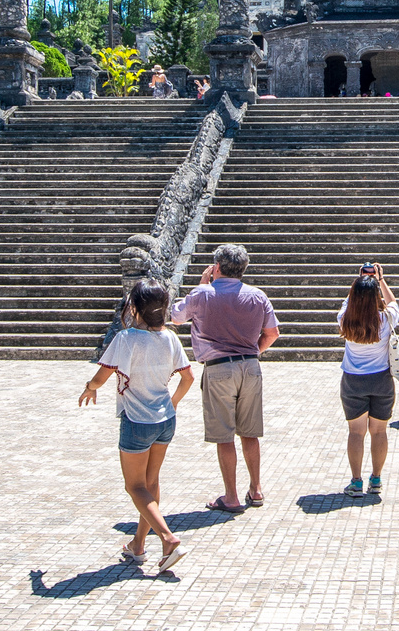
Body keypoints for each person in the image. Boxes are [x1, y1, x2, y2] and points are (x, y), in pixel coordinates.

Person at [79, 278, 194, 574]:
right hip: (165, 421)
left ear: (135, 307)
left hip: (137, 422)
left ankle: (168, 539)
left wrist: (90, 388)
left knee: (135, 486)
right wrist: (173, 402)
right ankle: (138, 545)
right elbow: (188, 378)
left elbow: (102, 376)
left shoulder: (126, 338)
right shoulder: (170, 338)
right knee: (151, 484)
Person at [169, 243, 280, 513]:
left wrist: (202, 285)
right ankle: (256, 489)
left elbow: (175, 318)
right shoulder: (257, 296)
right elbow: (273, 333)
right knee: (250, 433)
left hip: (218, 367)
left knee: (225, 435)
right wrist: (253, 351)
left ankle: (231, 496)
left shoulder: (202, 294)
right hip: (250, 366)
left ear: (217, 267)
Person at [337, 264, 399, 497]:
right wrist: (380, 281)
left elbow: (349, 300)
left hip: (353, 379)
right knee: (379, 431)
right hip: (381, 379)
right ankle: (376, 479)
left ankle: (355, 482)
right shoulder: (386, 319)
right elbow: (394, 303)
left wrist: (360, 282)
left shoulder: (344, 319)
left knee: (356, 432)